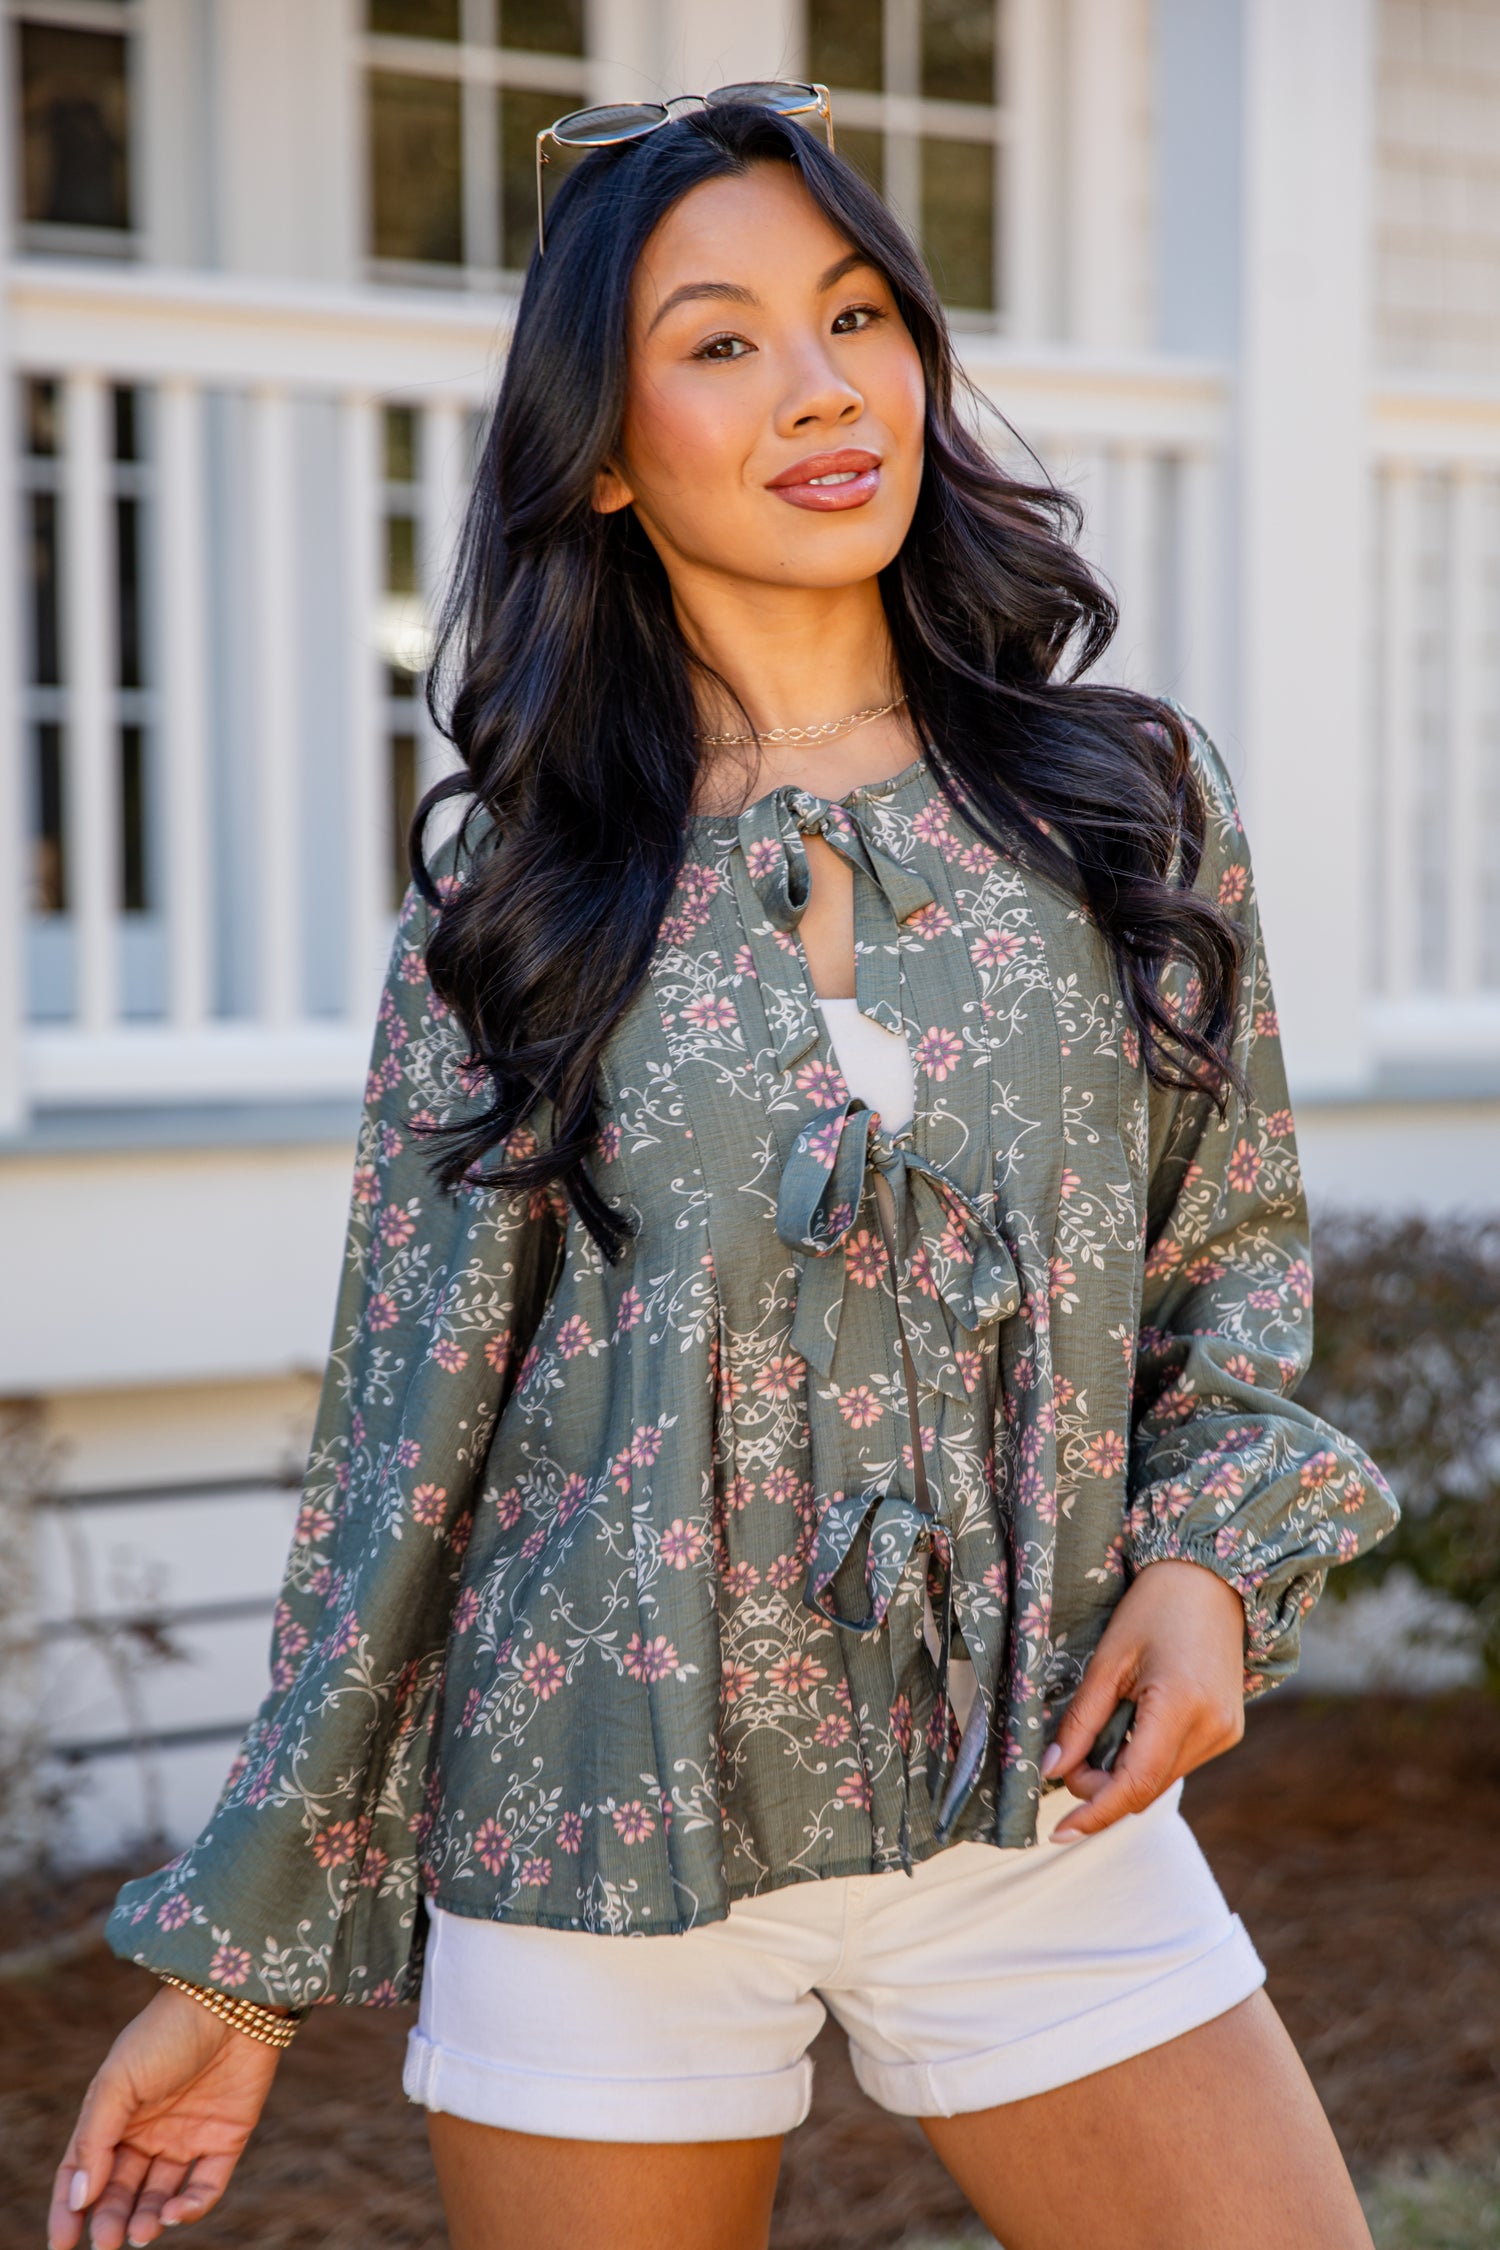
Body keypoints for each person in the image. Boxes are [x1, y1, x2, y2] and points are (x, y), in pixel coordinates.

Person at [49, 92, 1396, 2250]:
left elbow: (1226, 1246)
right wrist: (239, 1969)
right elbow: (406, 1461)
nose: (824, 384)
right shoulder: (516, 918)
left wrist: (1216, 1563)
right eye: (723, 340)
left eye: (855, 312)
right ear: (601, 444)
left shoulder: (1118, 801)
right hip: (595, 1825)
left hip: (1039, 1805)